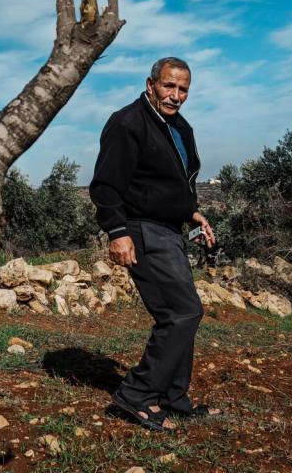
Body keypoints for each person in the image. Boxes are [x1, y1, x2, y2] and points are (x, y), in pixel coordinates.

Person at [89, 56, 220, 431]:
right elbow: (105, 185)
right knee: (181, 313)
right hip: (142, 230)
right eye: (169, 86)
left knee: (184, 313)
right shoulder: (127, 123)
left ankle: (174, 398)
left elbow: (173, 183)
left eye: (183, 89)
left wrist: (193, 213)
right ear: (151, 85)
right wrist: (117, 232)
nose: (176, 95)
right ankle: (137, 395)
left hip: (169, 230)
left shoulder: (180, 127)